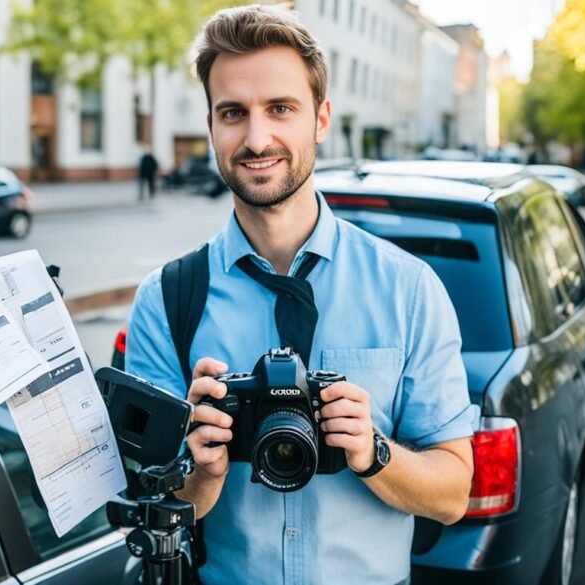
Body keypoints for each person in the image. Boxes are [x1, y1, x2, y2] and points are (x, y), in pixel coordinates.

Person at [124, 6, 478, 584]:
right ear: (211, 126)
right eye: (233, 112)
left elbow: (454, 493)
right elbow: (149, 506)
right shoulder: (167, 300)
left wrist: (371, 451)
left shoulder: (410, 290)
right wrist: (204, 471)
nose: (257, 137)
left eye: (281, 109)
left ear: (320, 118)